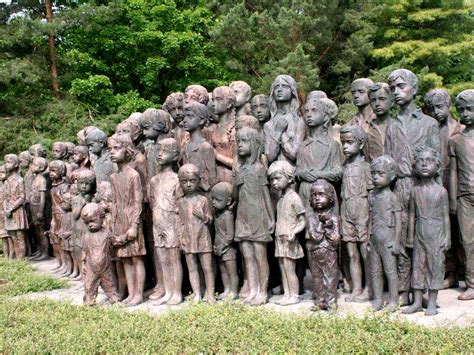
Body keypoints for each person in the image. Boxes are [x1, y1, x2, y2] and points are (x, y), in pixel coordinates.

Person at [385, 68, 441, 305]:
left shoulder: (429, 124)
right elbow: (387, 161)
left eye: (401, 86)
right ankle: (403, 292)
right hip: (399, 187)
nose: (396, 92)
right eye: (392, 89)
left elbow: (438, 162)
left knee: (424, 243)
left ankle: (426, 293)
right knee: (401, 240)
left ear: (414, 89)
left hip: (423, 189)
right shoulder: (391, 124)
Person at [403, 147, 450, 316]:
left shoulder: (441, 191)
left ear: (437, 167)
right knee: (418, 266)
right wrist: (410, 236)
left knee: (435, 267)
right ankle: (416, 301)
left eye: (429, 161)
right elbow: (411, 215)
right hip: (419, 234)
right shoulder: (414, 191)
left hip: (436, 234)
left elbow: (446, 217)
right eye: (421, 161)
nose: (424, 164)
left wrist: (448, 237)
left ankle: (432, 302)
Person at [234, 127, 275, 305]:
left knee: (260, 256)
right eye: (238, 142)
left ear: (255, 144)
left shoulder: (259, 169)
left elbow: (266, 196)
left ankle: (262, 291)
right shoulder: (239, 169)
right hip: (242, 215)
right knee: (247, 256)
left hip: (258, 215)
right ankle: (252, 289)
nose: (240, 145)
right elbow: (235, 197)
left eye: (244, 141)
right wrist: (236, 183)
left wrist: (271, 218)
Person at [108, 134, 146, 306]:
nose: (112, 152)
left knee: (136, 258)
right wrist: (112, 224)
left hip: (132, 220)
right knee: (124, 259)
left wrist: (134, 225)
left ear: (127, 149)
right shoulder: (113, 177)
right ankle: (131, 293)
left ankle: (139, 294)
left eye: (116, 148)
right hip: (119, 221)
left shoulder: (133, 175)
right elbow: (114, 203)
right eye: (110, 149)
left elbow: (138, 202)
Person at [340, 125, 373, 302]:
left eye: (349, 142)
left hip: (362, 213)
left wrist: (369, 216)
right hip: (346, 212)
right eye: (343, 143)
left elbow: (372, 193)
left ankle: (369, 288)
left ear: (360, 144)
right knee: (351, 253)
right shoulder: (344, 167)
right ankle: (357, 287)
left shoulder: (366, 167)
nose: (345, 146)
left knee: (365, 252)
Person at [148, 138, 183, 306]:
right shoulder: (154, 180)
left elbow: (180, 204)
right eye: (159, 151)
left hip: (172, 221)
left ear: (175, 155)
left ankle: (176, 292)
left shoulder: (177, 179)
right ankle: (168, 291)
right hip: (158, 222)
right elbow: (152, 200)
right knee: (163, 259)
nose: (160, 154)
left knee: (174, 258)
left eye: (165, 151)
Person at [268, 161, 306, 305]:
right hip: (280, 237)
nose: (274, 183)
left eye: (278, 178)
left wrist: (294, 232)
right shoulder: (280, 200)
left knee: (290, 269)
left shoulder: (294, 198)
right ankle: (287, 293)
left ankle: (294, 295)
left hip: (289, 239)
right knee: (283, 268)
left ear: (289, 178)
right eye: (272, 180)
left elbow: (302, 221)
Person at [177, 164, 215, 304]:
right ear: (180, 182)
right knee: (192, 268)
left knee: (207, 267)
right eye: (184, 181)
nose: (188, 185)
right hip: (188, 238)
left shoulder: (203, 200)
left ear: (198, 181)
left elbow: (210, 220)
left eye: (192, 181)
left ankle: (210, 293)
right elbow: (179, 222)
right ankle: (197, 294)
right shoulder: (181, 202)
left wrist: (203, 216)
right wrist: (181, 238)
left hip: (203, 238)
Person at [449, 89, 474, 300]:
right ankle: (472, 283)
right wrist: (453, 200)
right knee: (467, 241)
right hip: (465, 196)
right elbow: (453, 172)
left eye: (470, 109)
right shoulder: (456, 140)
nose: (465, 113)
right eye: (461, 110)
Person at [368, 155, 401, 311]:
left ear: (392, 176)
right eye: (373, 173)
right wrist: (368, 237)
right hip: (374, 238)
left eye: (380, 174)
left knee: (390, 271)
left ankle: (393, 301)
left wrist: (396, 241)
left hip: (388, 238)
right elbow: (370, 217)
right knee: (375, 271)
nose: (375, 177)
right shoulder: (372, 196)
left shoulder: (393, 197)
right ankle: (378, 299)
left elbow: (399, 221)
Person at [307, 179, 340, 311]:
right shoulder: (311, 218)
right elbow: (315, 237)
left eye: (321, 194)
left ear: (330, 198)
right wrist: (321, 224)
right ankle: (320, 301)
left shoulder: (334, 218)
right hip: (315, 252)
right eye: (314, 195)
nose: (317, 198)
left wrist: (330, 228)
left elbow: (336, 239)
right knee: (317, 278)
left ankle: (331, 302)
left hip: (329, 252)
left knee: (330, 278)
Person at [81, 202, 120, 306]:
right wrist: (83, 263)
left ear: (102, 218)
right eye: (87, 223)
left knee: (109, 284)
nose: (90, 224)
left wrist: (125, 237)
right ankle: (89, 301)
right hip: (91, 268)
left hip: (105, 267)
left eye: (92, 221)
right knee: (89, 286)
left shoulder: (107, 233)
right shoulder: (86, 236)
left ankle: (114, 300)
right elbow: (84, 252)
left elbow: (116, 241)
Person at [264, 74, 305, 165]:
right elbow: (270, 156)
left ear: (292, 91)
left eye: (285, 86)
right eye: (276, 87)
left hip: (294, 172)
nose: (279, 89)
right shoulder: (269, 124)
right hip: (274, 173)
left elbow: (295, 154)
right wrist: (278, 132)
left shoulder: (299, 121)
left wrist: (282, 136)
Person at [210, 182, 239, 300]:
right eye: (212, 199)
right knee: (223, 271)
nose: (213, 202)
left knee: (232, 272)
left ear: (228, 202)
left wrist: (223, 246)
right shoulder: (217, 214)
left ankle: (234, 291)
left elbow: (230, 235)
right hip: (219, 247)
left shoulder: (228, 215)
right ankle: (227, 289)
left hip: (228, 249)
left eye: (217, 200)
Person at [182, 101, 218, 192]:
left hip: (203, 194)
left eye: (190, 116)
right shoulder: (186, 146)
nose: (185, 120)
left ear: (201, 120)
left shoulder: (205, 147)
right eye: (184, 116)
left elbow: (212, 177)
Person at [4, 154, 29, 259]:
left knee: (20, 237)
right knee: (13, 237)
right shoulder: (7, 180)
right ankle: (16, 259)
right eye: (6, 162)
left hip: (17, 211)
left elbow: (22, 197)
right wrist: (6, 208)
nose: (6, 164)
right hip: (8, 212)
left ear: (16, 165)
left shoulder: (20, 180)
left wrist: (11, 208)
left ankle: (21, 260)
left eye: (9, 162)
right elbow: (5, 197)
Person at [367, 82, 393, 161]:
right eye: (373, 100)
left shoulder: (399, 126)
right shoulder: (366, 128)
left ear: (392, 102)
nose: (377, 104)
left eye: (382, 99)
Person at [0, 165, 13, 258]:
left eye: (2, 172)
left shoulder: (9, 185)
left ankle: (12, 256)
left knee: (10, 237)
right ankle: (6, 257)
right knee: (3, 237)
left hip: (7, 213)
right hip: (1, 214)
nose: (0, 174)